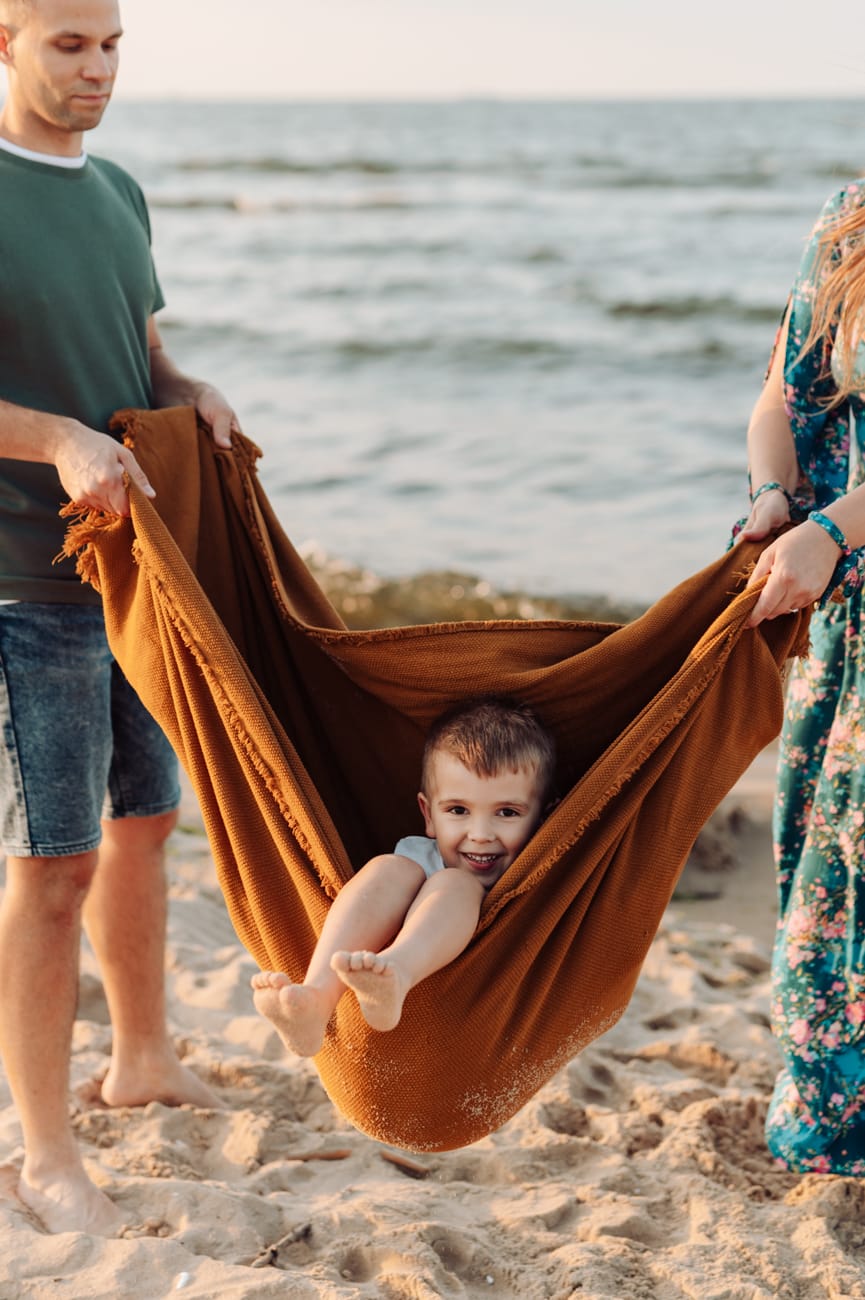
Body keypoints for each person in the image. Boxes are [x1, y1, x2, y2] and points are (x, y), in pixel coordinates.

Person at [0, 0, 241, 1233]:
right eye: (69, 46)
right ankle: (44, 1154)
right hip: (24, 588)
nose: (96, 72)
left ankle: (139, 1056)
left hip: (142, 576)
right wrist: (56, 439)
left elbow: (143, 358)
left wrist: (195, 398)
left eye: (111, 47)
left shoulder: (121, 193)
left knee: (146, 823)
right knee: (56, 863)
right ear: (5, 42)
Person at [737, 177, 865, 1173]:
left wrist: (833, 528)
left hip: (842, 561)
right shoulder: (847, 219)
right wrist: (774, 495)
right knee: (823, 890)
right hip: (846, 623)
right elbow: (781, 397)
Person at [252, 695, 556, 1056]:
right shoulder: (415, 858)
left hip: (449, 986)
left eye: (506, 813)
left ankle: (395, 973)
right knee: (387, 868)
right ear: (428, 814)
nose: (480, 834)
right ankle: (316, 997)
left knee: (455, 883)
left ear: (542, 819)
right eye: (458, 810)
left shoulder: (533, 876)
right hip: (376, 958)